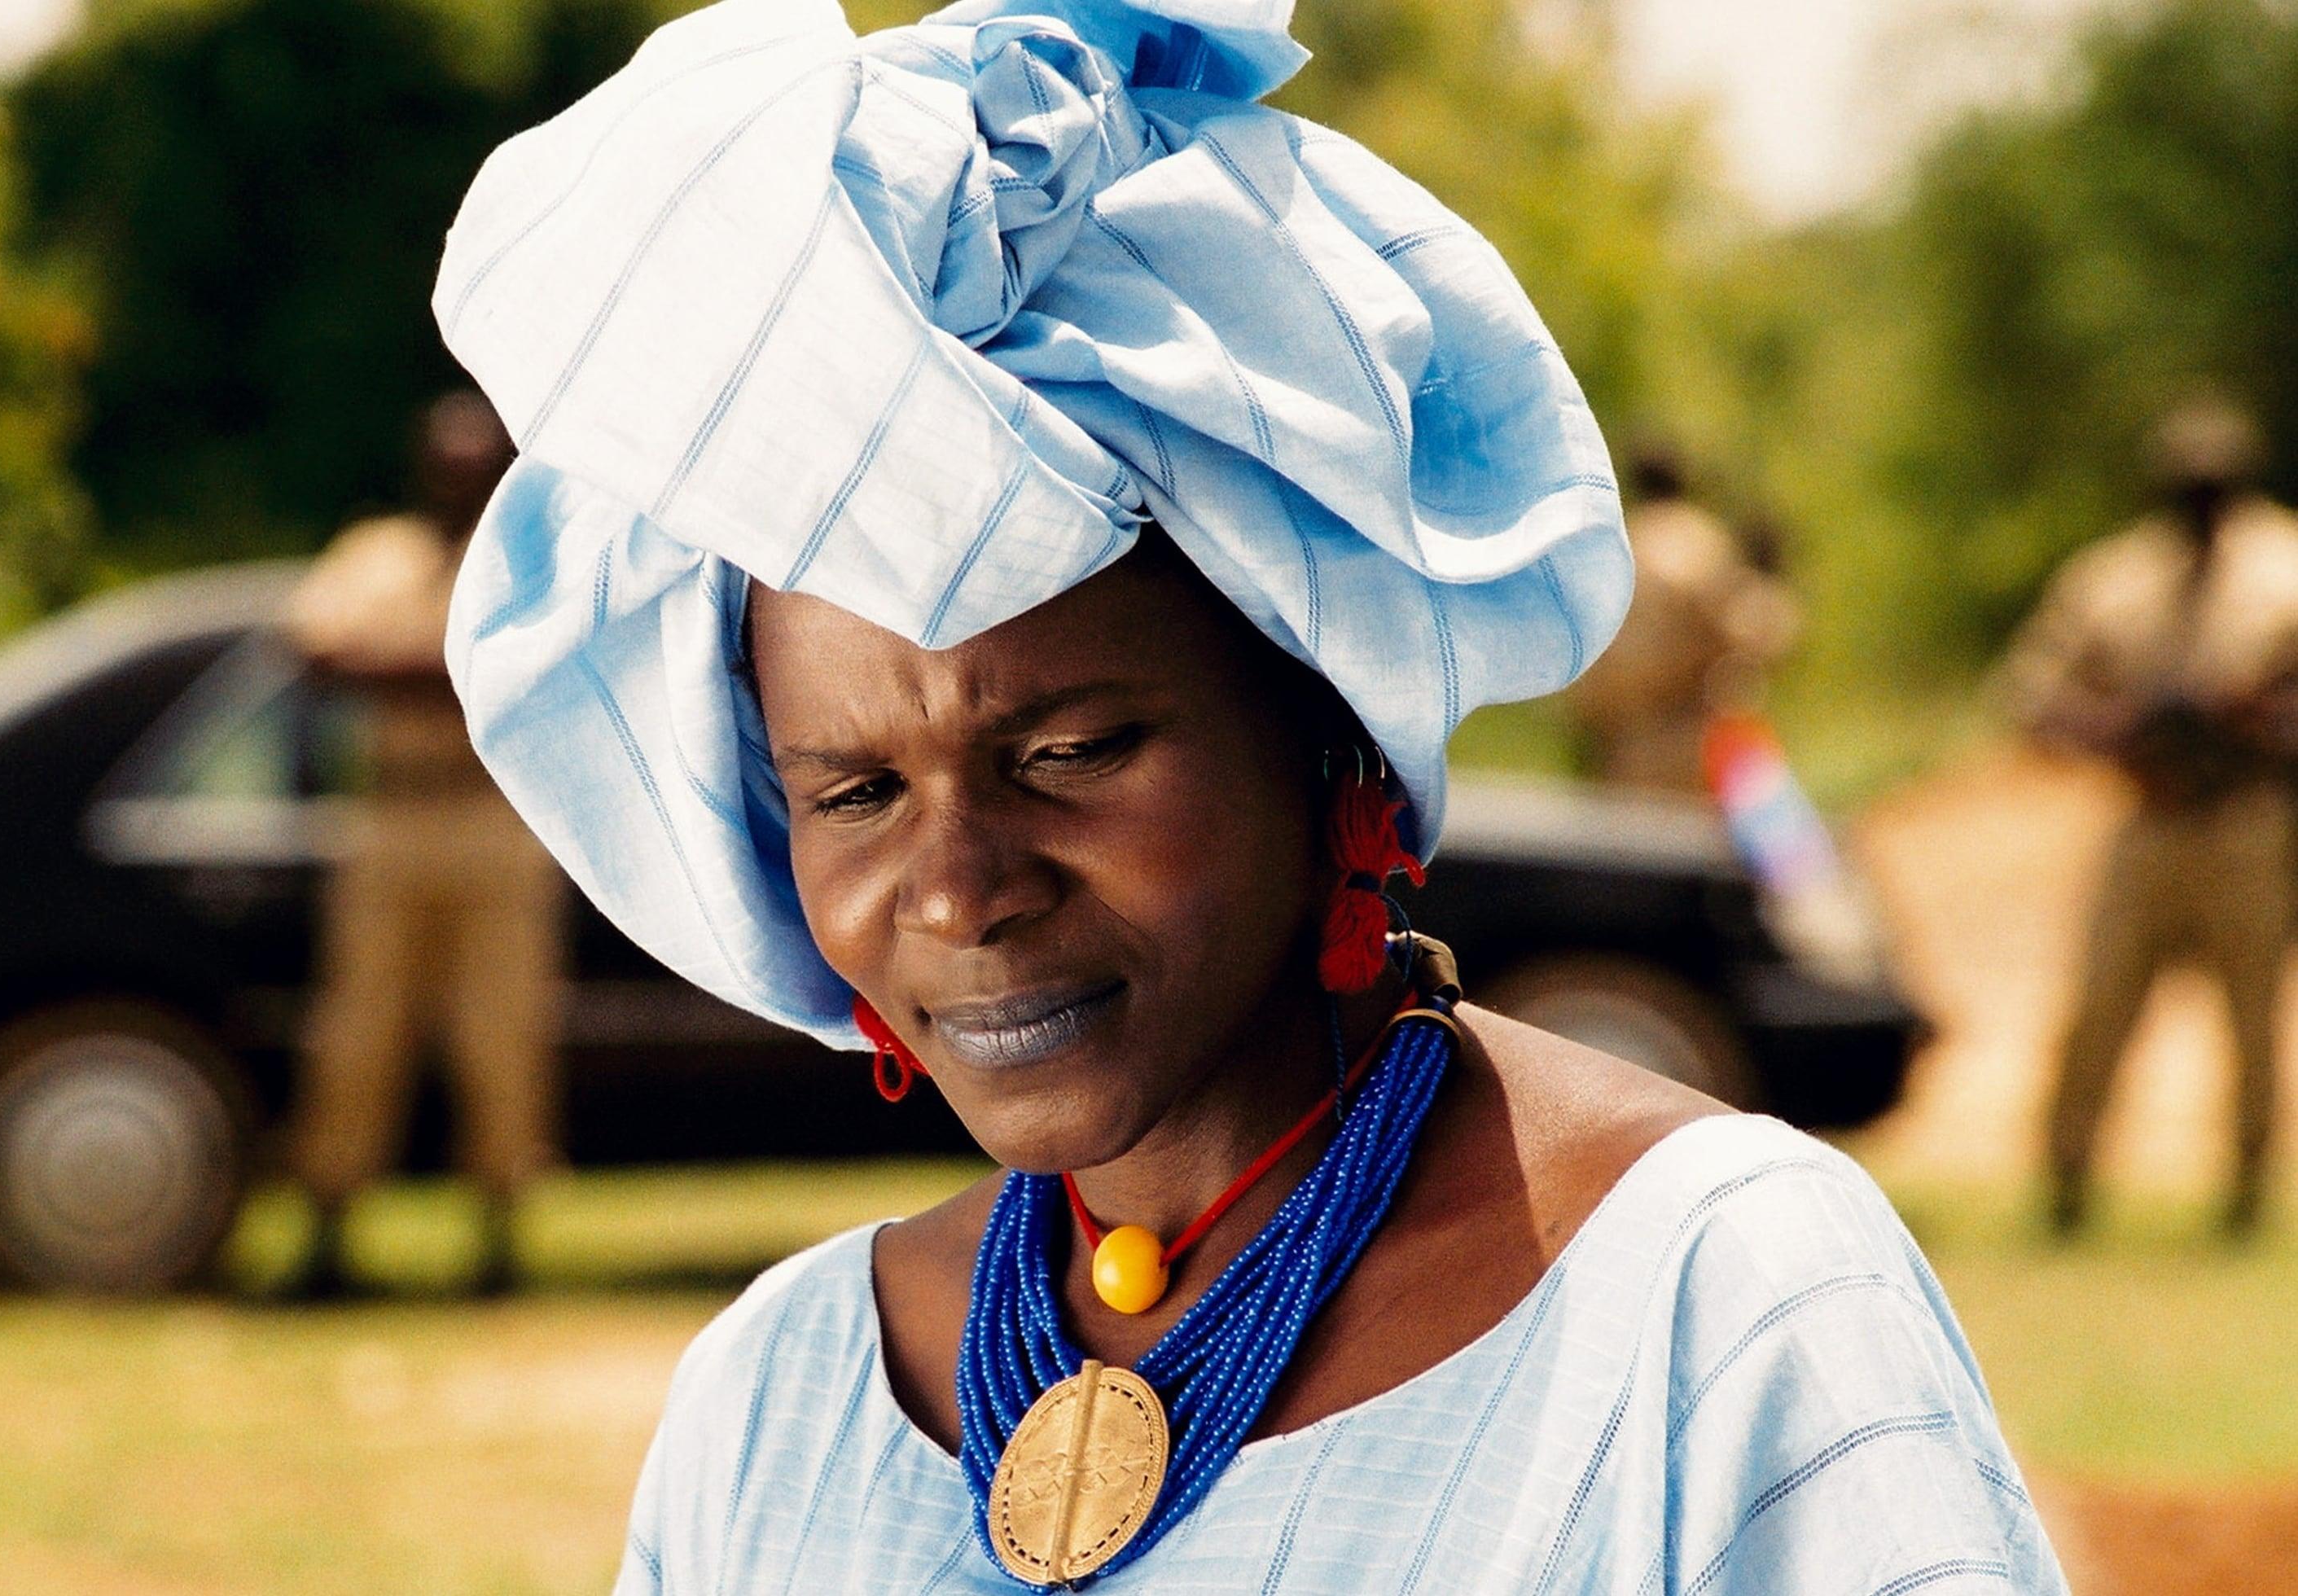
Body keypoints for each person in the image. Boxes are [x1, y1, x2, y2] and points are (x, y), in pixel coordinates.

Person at [437, 0, 2064, 1587]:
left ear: (1327, 726)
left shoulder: (1706, 1301)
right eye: (853, 787)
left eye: (1065, 753)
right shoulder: (777, 1401)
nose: (953, 887)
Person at [276, 392, 564, 1299]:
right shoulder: (380, 551)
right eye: (447, 465)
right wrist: (456, 666)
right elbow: (315, 652)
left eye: (476, 468)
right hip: (392, 816)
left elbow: (539, 667)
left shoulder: (527, 558)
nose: (459, 482)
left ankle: (499, 1234)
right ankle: (327, 1225)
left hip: (496, 816)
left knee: (501, 1028)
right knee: (359, 1028)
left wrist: (401, 662)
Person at [2006, 397, 2298, 1239]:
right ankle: (2065, 1183)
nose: (2201, 502)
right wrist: (2118, 730)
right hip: (2148, 816)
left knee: (2252, 1020)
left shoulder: (2283, 566)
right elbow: (2029, 694)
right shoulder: (2113, 577)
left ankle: (2245, 1194)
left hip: (2248, 821)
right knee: (2099, 1008)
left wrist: (2247, 719)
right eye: (2186, 486)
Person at [1567, 445, 1801, 791]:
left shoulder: (1610, 546)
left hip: (1620, 746)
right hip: (1687, 745)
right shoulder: (1699, 544)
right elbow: (1754, 632)